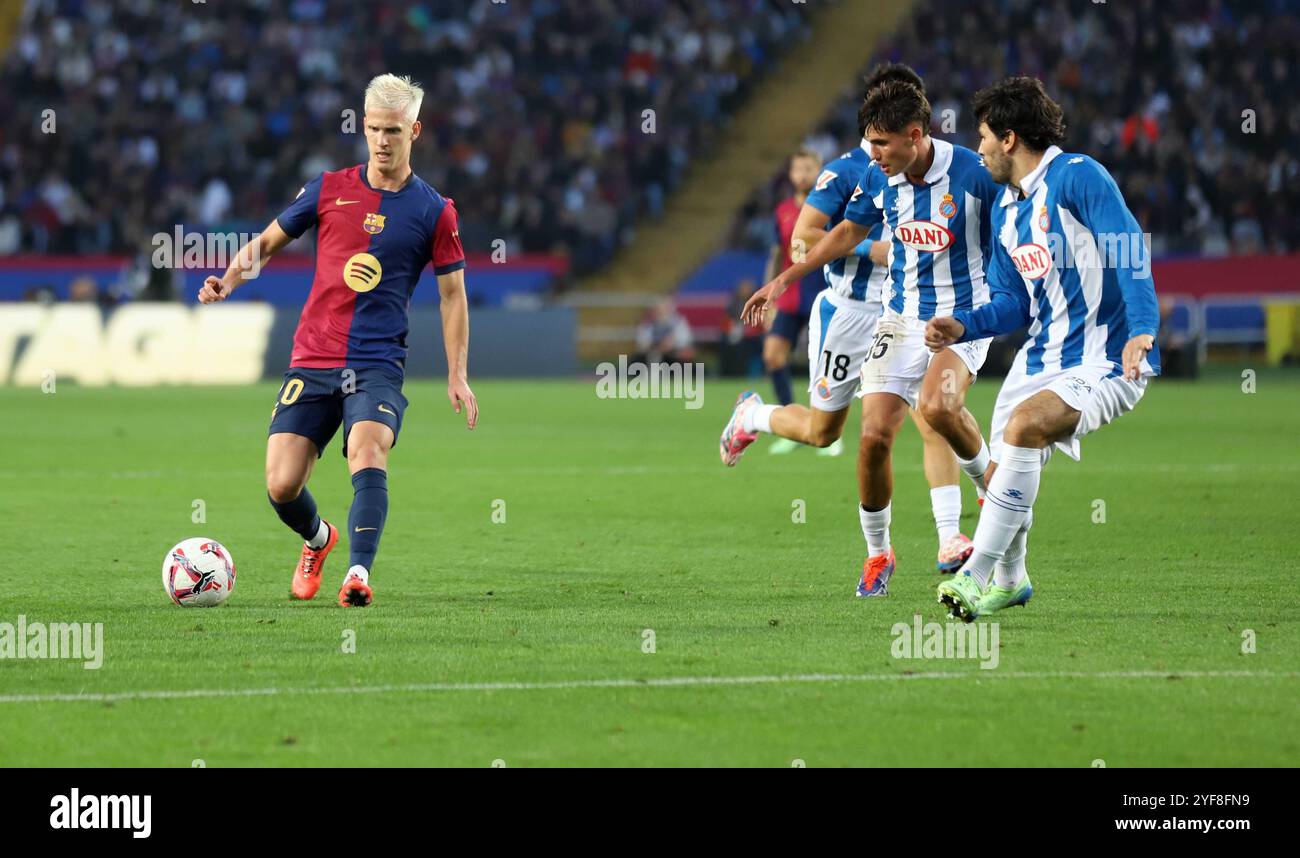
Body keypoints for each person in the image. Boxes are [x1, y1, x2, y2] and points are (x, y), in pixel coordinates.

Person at [197, 73, 478, 608]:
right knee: (281, 486)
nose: (381, 140)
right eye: (373, 128)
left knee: (366, 449)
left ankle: (357, 574)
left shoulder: (434, 211)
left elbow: (452, 296)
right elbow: (269, 241)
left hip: (376, 364)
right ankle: (319, 540)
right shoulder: (328, 188)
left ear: (415, 131)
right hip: (313, 356)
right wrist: (228, 280)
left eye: (393, 130)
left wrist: (457, 373)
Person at [736, 80, 1001, 598]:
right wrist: (782, 280)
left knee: (937, 410)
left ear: (915, 134)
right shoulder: (879, 177)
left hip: (962, 317)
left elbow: (1011, 228)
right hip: (898, 319)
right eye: (868, 142)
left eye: (880, 143)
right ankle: (879, 552)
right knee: (873, 435)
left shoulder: (972, 173)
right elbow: (843, 234)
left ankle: (987, 490)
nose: (871, 154)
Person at [928, 76, 1159, 620]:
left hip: (1108, 357)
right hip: (1040, 359)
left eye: (983, 136)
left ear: (1009, 138)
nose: (977, 149)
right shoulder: (1007, 211)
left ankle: (974, 573)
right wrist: (964, 324)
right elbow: (1013, 304)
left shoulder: (1079, 176)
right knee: (1009, 464)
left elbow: (1128, 247)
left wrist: (1143, 327)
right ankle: (1011, 579)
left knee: (1026, 425)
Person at [762, 147, 824, 455]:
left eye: (808, 168)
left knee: (822, 364)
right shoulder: (783, 210)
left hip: (822, 293)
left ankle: (826, 428)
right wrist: (768, 296)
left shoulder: (829, 205)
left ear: (819, 170)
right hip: (789, 295)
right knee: (773, 355)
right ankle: (791, 424)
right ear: (790, 174)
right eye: (797, 169)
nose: (802, 174)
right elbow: (777, 254)